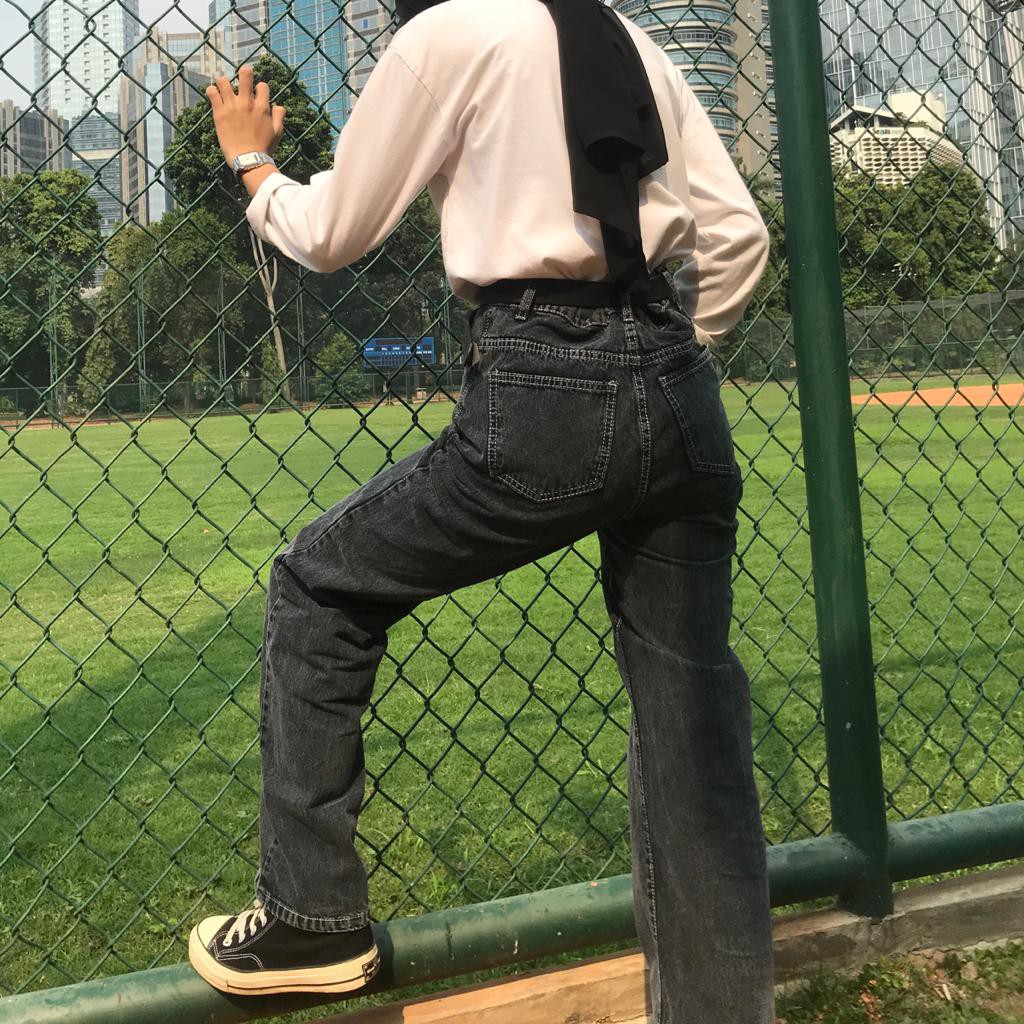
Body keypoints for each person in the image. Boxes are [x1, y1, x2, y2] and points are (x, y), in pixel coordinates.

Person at [188, 0, 774, 1021]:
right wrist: (672, 361)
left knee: (317, 583)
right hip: (679, 386)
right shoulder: (628, 35)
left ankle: (313, 917)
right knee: (691, 720)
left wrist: (251, 163)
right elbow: (737, 236)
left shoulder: (446, 33)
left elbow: (331, 233)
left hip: (543, 380)